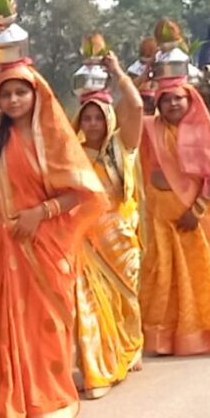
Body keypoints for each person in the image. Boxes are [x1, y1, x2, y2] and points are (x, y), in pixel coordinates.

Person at [0, 12, 105, 418]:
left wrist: (41, 213)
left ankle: (49, 404)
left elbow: (84, 193)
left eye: (21, 92)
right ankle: (10, 409)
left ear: (36, 93)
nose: (14, 100)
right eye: (6, 93)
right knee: (5, 323)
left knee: (49, 324)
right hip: (6, 239)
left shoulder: (53, 136)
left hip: (46, 240)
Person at [139, 73, 210, 356]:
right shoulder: (150, 128)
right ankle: (162, 339)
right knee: (161, 275)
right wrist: (141, 76)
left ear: (190, 99)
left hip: (191, 216)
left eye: (178, 98)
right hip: (158, 213)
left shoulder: (200, 131)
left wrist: (197, 210)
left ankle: (200, 336)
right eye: (165, 99)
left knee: (196, 276)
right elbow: (126, 113)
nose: (172, 104)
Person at [71, 51, 145, 399]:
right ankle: (97, 366)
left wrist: (116, 71)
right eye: (86, 119)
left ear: (109, 119)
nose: (92, 125)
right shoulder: (74, 154)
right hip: (84, 239)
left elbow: (139, 107)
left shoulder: (122, 146)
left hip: (119, 237)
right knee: (88, 304)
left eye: (98, 118)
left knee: (124, 300)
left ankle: (130, 348)